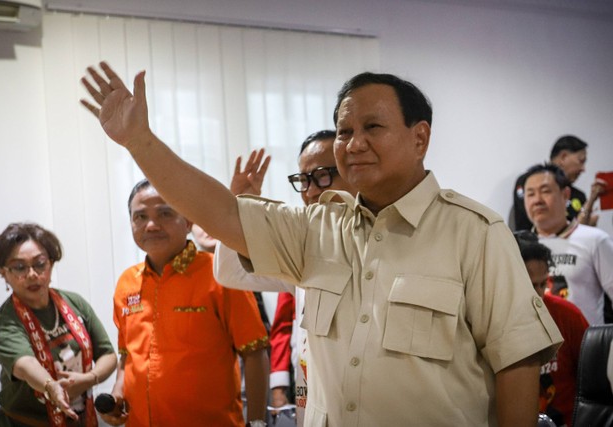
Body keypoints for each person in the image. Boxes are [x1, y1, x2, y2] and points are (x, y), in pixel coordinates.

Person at [81, 62, 563, 426]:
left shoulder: (474, 232)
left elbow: (516, 363)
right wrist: (139, 141)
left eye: (372, 127)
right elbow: (223, 213)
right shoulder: (318, 229)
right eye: (345, 131)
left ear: (420, 138)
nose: (353, 143)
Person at [215, 130, 357, 425]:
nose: (312, 191)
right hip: (314, 410)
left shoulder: (383, 244)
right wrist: (239, 207)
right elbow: (230, 272)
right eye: (304, 180)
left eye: (323, 175)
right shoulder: (303, 249)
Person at [101, 178, 269, 427]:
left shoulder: (221, 274)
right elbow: (127, 356)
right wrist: (117, 393)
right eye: (140, 217)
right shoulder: (127, 282)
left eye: (164, 213)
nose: (151, 225)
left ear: (188, 221)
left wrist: (257, 423)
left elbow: (254, 352)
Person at [0, 222, 117, 427]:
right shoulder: (6, 322)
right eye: (20, 267)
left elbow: (108, 354)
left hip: (80, 418)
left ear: (51, 264)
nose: (31, 274)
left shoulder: (75, 303)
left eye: (39, 264)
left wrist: (91, 378)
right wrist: (51, 387)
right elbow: (25, 365)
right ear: (4, 273)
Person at [514, 231, 589, 427]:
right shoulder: (497, 321)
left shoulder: (568, 316)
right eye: (530, 285)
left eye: (542, 284)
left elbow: (592, 377)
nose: (538, 293)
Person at [523, 163, 613, 325]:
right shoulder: (517, 247)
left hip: (585, 346)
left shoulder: (594, 239)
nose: (537, 200)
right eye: (530, 194)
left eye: (545, 191)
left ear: (565, 195)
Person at [513, 135, 604, 230]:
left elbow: (576, 232)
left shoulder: (578, 195)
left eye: (545, 191)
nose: (583, 169)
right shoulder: (527, 181)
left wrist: (589, 213)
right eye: (581, 161)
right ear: (563, 157)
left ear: (565, 194)